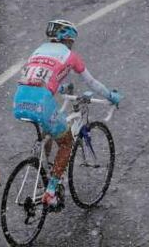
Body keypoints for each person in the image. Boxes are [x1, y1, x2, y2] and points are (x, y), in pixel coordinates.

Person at [12, 20, 122, 208]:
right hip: (41, 102)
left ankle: (45, 168)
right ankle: (51, 192)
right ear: (66, 40)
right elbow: (92, 83)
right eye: (71, 41)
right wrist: (111, 96)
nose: (72, 45)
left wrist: (61, 87)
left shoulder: (38, 50)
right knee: (66, 142)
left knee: (49, 131)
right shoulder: (70, 56)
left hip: (20, 100)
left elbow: (39, 77)